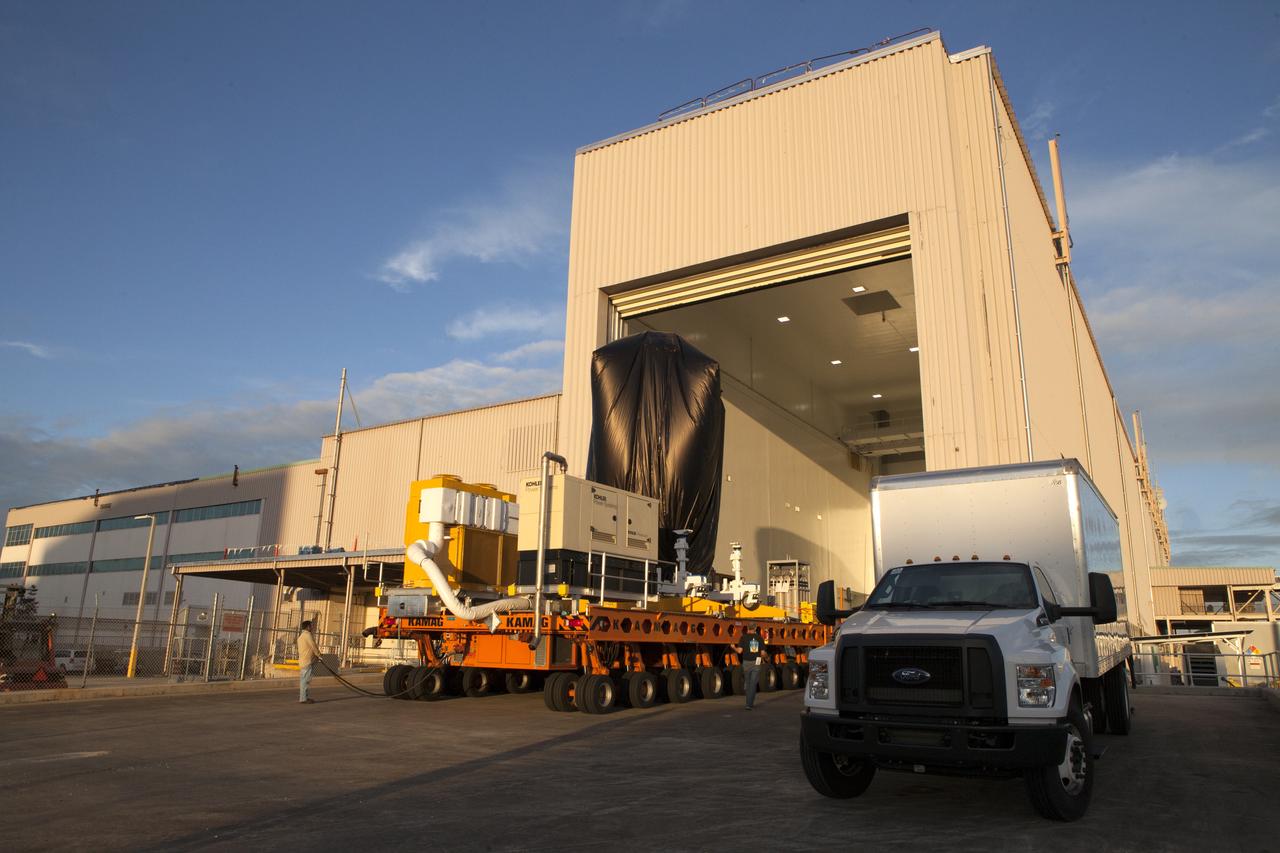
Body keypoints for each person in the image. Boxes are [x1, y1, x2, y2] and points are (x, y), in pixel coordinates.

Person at [731, 624, 767, 710]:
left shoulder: (743, 638)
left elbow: (739, 651)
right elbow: (762, 653)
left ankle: (748, 701)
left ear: (747, 628)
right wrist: (766, 657)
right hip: (756, 662)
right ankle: (749, 704)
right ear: (755, 629)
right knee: (753, 684)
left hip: (746, 662)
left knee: (748, 682)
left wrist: (733, 647)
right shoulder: (759, 638)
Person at [297, 620, 319, 704]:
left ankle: (303, 697)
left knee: (303, 680)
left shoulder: (301, 636)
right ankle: (304, 698)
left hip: (303, 661)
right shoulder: (308, 635)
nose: (312, 627)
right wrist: (319, 654)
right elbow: (313, 646)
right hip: (307, 661)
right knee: (305, 681)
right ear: (308, 627)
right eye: (311, 626)